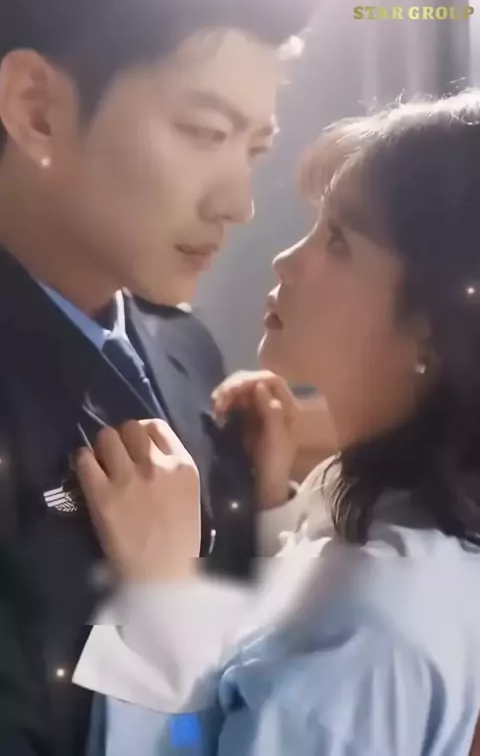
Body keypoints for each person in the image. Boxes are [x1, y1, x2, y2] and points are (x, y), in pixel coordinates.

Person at [0, 0, 319, 753]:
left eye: (253, 148)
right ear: (37, 109)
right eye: (205, 132)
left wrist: (269, 503)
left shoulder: (186, 349)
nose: (239, 204)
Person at [76, 91, 480, 755]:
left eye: (340, 242)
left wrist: (158, 596)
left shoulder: (370, 629)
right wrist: (271, 510)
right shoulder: (402, 530)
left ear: (433, 330)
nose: (287, 259)